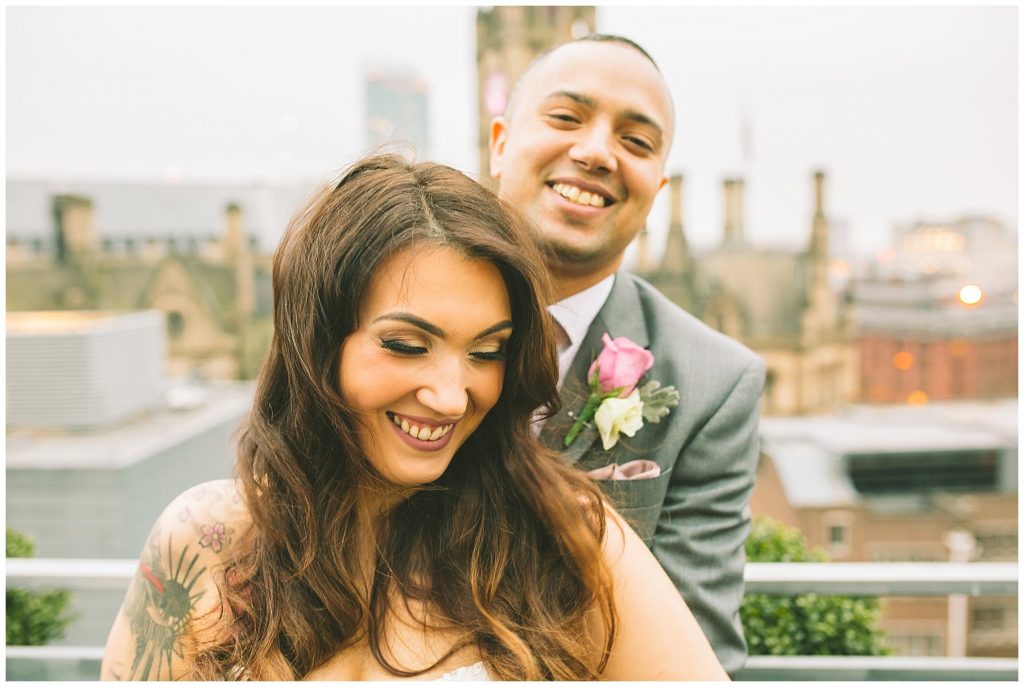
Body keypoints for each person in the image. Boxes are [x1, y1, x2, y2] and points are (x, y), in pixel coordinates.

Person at [99, 154, 727, 681]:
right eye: (406, 345)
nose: (452, 398)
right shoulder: (201, 540)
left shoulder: (567, 538)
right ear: (317, 342)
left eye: (487, 352)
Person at [489, 34, 766, 675]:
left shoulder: (716, 384)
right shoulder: (392, 314)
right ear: (501, 142)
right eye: (565, 117)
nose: (595, 152)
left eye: (635, 142)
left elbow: (694, 648)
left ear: (657, 188)